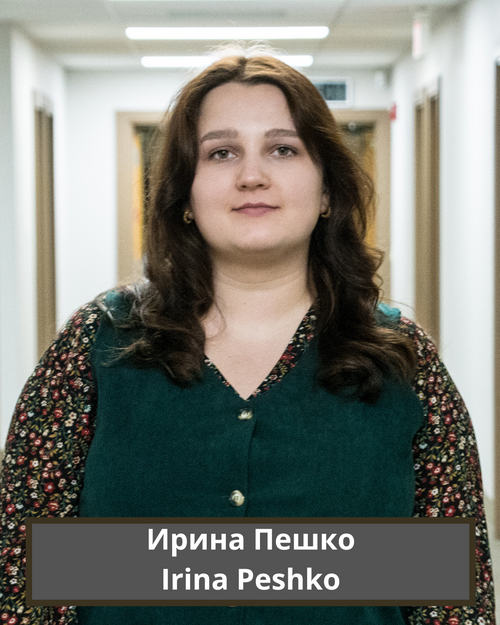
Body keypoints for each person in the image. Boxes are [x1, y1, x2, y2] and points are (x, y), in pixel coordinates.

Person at [0, 52, 495, 624]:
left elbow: (452, 599)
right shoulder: (97, 344)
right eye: (221, 153)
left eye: (283, 149)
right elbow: (25, 573)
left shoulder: (402, 357)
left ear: (328, 191)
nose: (251, 175)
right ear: (185, 194)